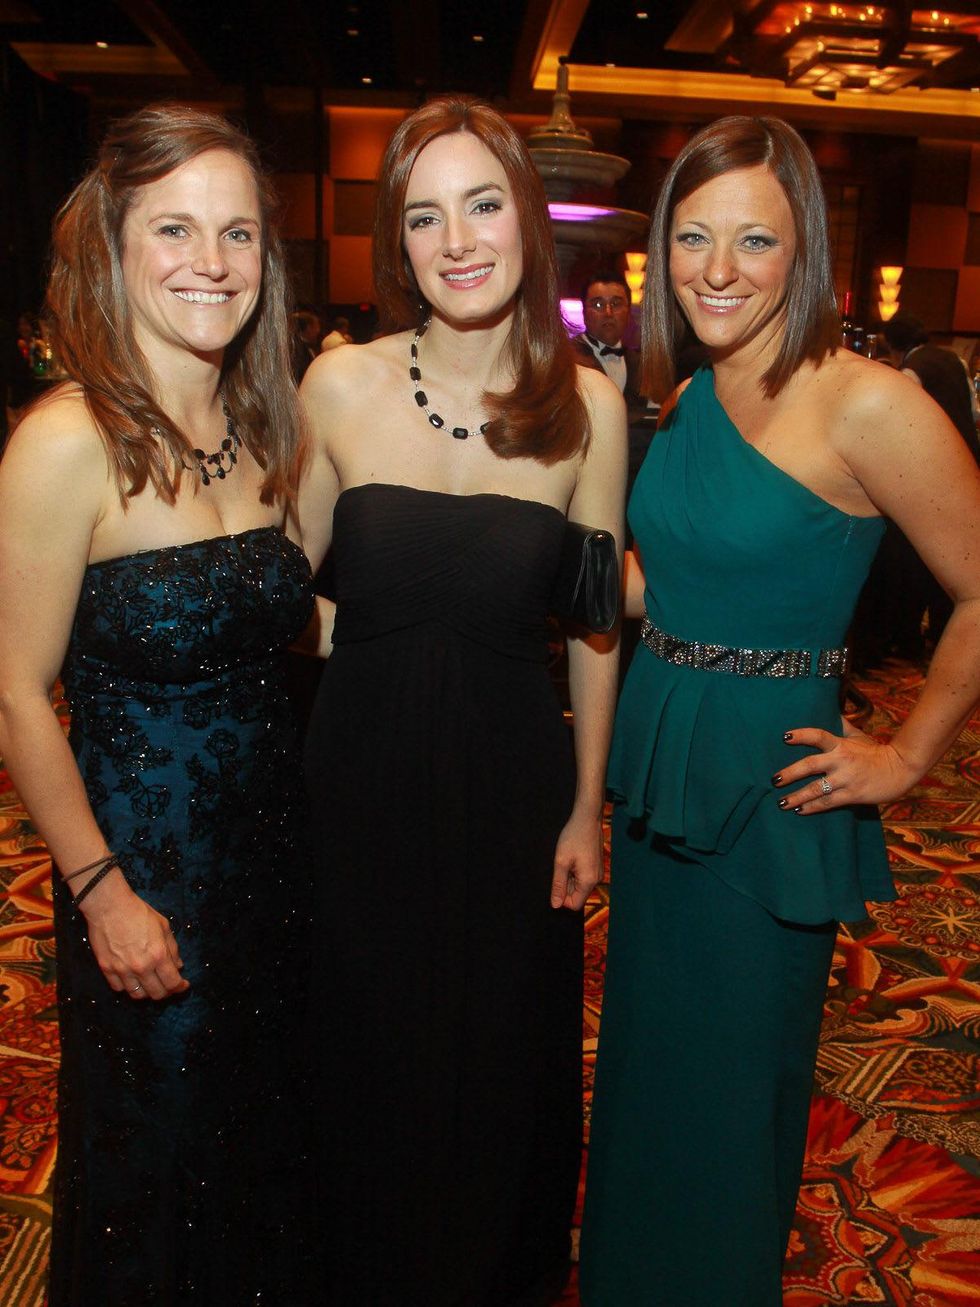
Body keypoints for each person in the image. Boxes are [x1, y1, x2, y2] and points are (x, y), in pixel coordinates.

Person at [578, 115, 980, 1306]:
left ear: (802, 247)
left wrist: (905, 756)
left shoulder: (865, 402)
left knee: (728, 1087)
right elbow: (672, 582)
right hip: (660, 772)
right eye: (692, 237)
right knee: (650, 1069)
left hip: (769, 791)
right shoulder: (690, 394)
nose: (716, 269)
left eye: (752, 239)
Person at [297, 94, 625, 1306]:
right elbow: (280, 588)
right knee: (363, 1041)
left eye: (481, 204)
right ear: (397, 240)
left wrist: (585, 806)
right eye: (423, 215)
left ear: (527, 219)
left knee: (496, 1052)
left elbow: (592, 624)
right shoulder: (338, 382)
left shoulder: (586, 406)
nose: (457, 240)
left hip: (511, 784)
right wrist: (369, 642)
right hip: (356, 774)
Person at [0, 104, 318, 1303]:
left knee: (263, 1146)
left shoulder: (261, 426)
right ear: (113, 245)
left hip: (274, 870)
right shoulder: (64, 440)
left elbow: (284, 628)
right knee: (161, 1161)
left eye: (237, 233)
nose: (212, 262)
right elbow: (14, 693)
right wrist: (101, 893)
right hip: (144, 886)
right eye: (175, 228)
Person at [853, 311, 980, 664]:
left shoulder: (910, 371)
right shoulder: (952, 359)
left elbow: (894, 425)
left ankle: (900, 638)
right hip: (967, 462)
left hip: (929, 471)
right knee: (953, 565)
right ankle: (936, 638)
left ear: (892, 345)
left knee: (914, 562)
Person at [571, 269, 647, 414]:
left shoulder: (642, 365)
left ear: (628, 312)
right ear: (584, 313)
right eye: (598, 305)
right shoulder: (566, 358)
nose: (608, 313)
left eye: (616, 304)